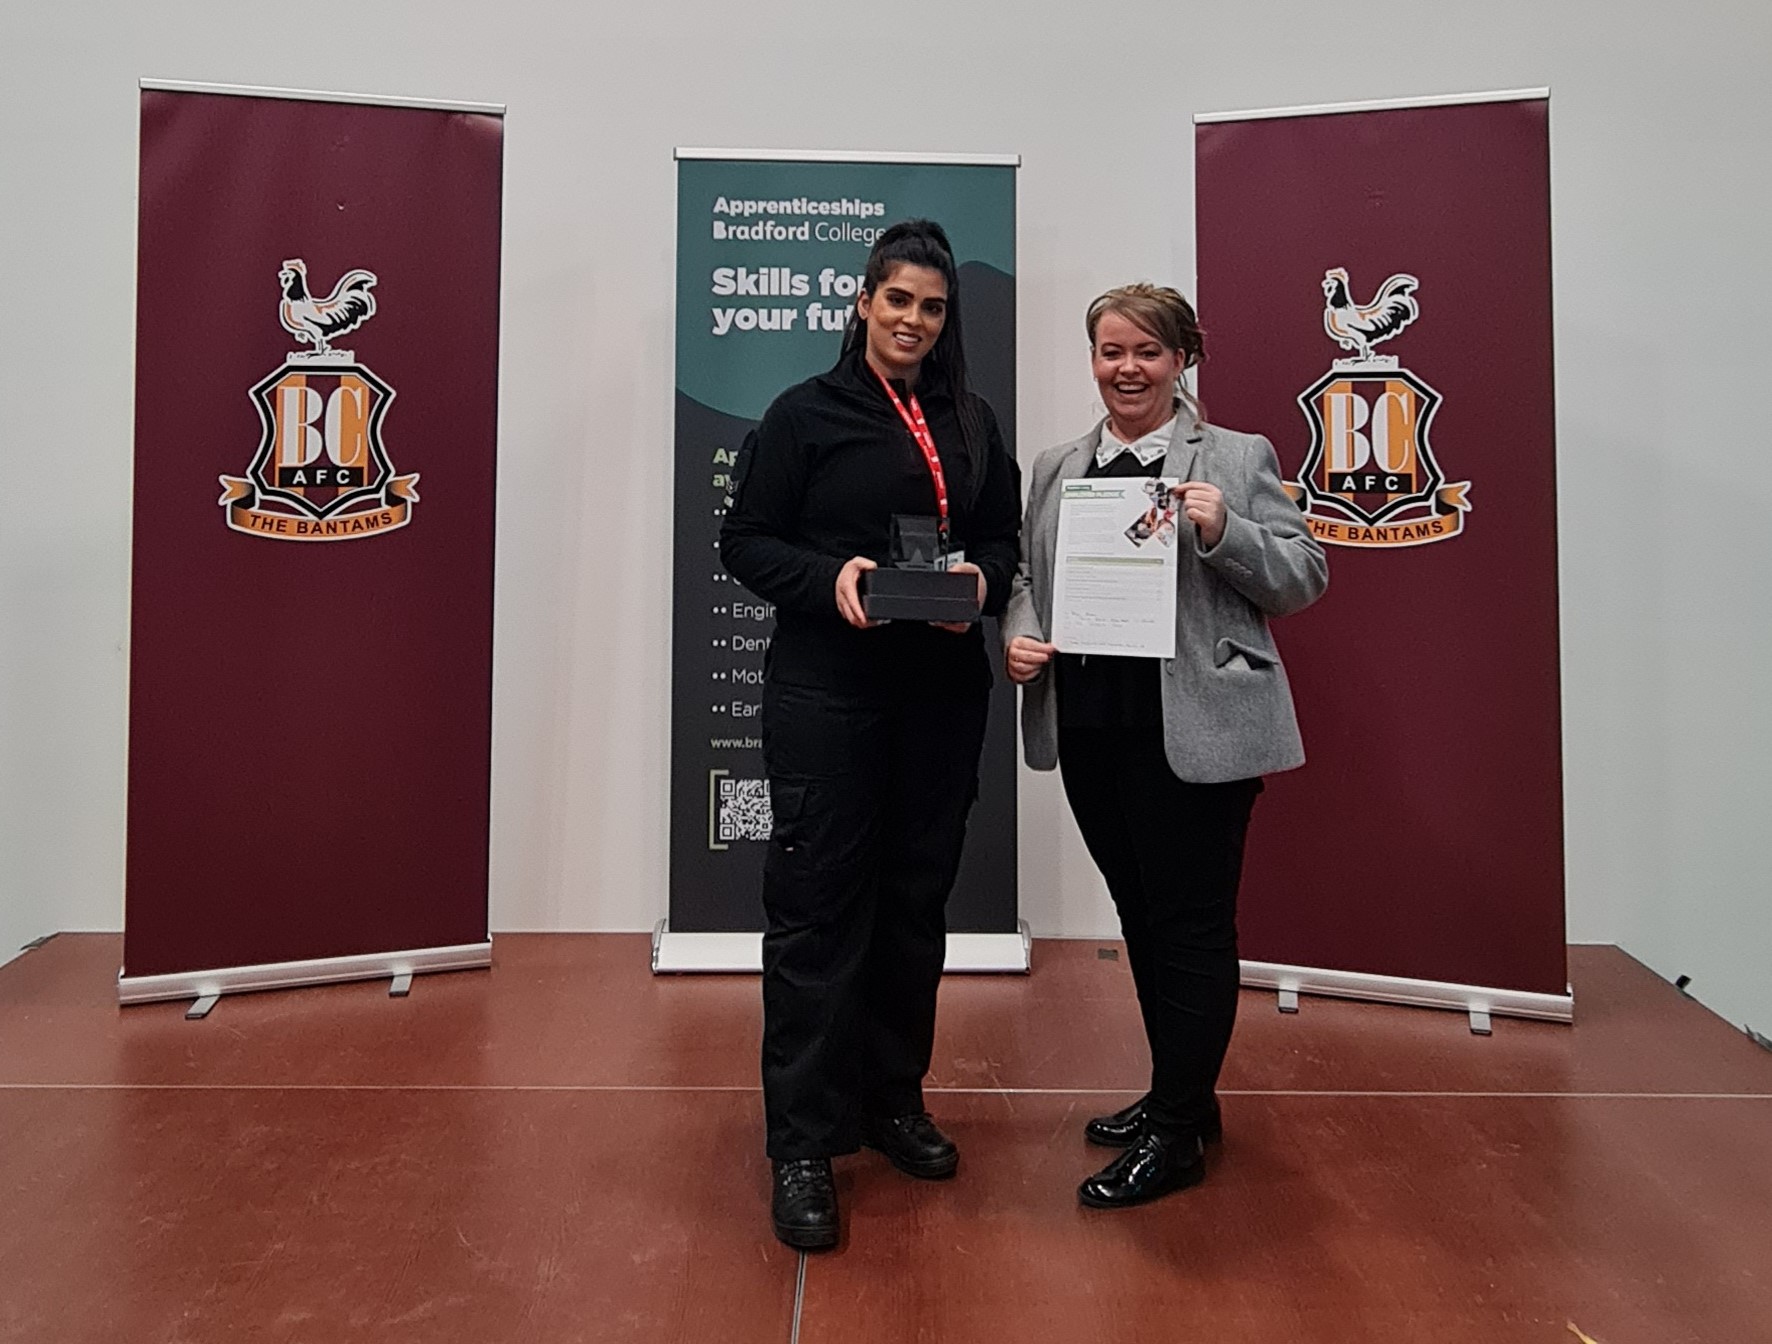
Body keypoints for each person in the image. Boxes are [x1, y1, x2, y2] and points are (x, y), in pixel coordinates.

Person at [720, 219, 1021, 1249]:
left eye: (931, 308)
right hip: (826, 697)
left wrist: (977, 584)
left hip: (938, 702)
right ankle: (802, 1144)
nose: (912, 321)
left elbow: (1000, 538)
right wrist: (831, 579)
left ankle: (891, 1102)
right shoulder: (801, 416)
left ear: (945, 321)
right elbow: (744, 540)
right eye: (896, 300)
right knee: (815, 915)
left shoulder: (972, 420)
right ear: (861, 303)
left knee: (911, 909)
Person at [1002, 283, 1327, 1209]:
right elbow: (1029, 572)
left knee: (1188, 928)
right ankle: (1179, 1095)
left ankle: (1179, 1132)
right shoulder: (1059, 465)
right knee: (1142, 920)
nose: (1127, 369)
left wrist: (1225, 530)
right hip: (1094, 729)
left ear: (1184, 358)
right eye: (1110, 351)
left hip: (1197, 734)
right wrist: (1020, 634)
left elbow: (1304, 574)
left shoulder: (1234, 455)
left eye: (1147, 351)